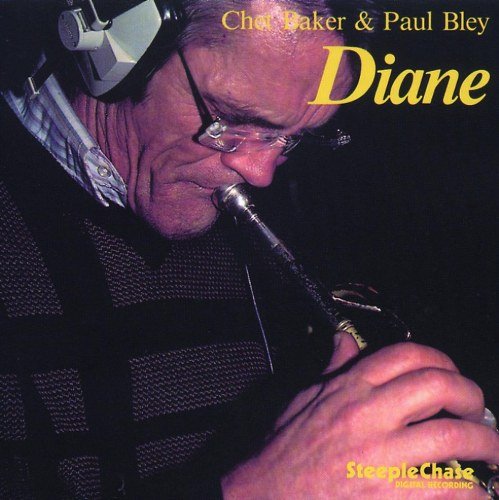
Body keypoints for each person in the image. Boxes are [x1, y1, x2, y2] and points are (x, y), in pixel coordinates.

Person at [0, 0, 497, 498]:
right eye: (233, 120)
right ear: (114, 48)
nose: (260, 175)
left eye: (292, 139)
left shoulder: (267, 234)